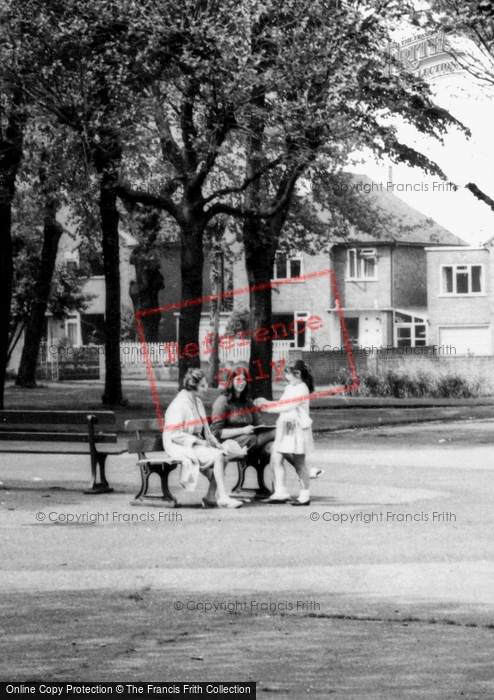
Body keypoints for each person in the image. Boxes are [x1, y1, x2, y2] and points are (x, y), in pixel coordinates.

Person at [163, 368, 243, 509]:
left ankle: (210, 497)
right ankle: (223, 497)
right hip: (180, 445)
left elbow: (206, 429)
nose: (206, 389)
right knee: (219, 457)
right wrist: (200, 442)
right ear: (192, 385)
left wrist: (215, 443)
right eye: (202, 386)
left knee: (223, 455)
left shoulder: (197, 401)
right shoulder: (179, 404)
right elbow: (174, 435)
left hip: (195, 443)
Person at [254, 360, 315, 506]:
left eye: (287, 373)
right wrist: (266, 402)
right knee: (276, 458)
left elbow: (288, 406)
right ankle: (280, 491)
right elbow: (281, 402)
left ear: (297, 374)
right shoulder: (290, 388)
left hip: (297, 429)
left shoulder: (302, 388)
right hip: (286, 428)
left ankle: (305, 494)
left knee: (299, 462)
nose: (285, 376)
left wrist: (266, 407)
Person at [210, 365, 275, 499]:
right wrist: (242, 430)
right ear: (231, 381)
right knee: (278, 432)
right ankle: (301, 472)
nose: (241, 382)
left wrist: (260, 428)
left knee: (274, 447)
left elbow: (258, 423)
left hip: (251, 442)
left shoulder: (247, 401)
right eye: (238, 379)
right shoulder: (223, 401)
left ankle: (278, 488)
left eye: (244, 379)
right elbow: (216, 433)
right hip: (232, 443)